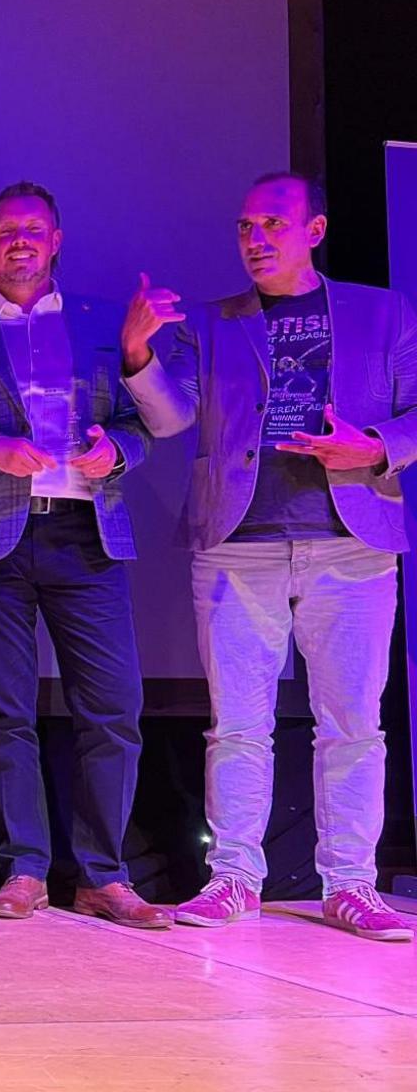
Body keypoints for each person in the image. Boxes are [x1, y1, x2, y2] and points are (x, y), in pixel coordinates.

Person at [122, 172, 417, 941]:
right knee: (238, 726)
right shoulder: (219, 322)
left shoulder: (382, 311)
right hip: (238, 546)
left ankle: (350, 883)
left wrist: (377, 445)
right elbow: (168, 419)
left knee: (352, 723)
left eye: (272, 226)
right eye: (246, 227)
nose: (255, 240)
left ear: (313, 231)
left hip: (350, 542)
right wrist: (138, 355)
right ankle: (234, 879)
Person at [0, 182, 166, 929]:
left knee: (113, 710)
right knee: (4, 711)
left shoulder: (100, 326)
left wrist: (115, 449)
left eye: (33, 230)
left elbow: (139, 424)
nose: (19, 241)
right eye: (4, 233)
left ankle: (102, 875)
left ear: (56, 240)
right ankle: (24, 867)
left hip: (86, 535)